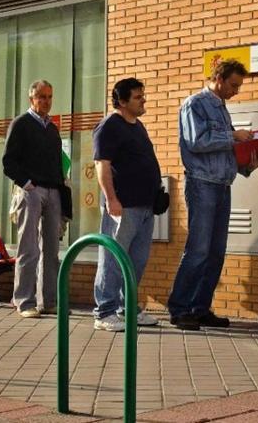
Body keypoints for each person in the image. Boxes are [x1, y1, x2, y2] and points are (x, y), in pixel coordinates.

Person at [167, 59, 258, 331]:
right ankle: (179, 309)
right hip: (201, 184)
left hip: (223, 184)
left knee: (216, 252)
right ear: (219, 79)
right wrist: (234, 136)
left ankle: (200, 308)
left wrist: (247, 166)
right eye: (233, 85)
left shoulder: (222, 108)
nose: (236, 91)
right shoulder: (194, 104)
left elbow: (223, 150)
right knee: (197, 250)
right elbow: (196, 142)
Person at [90, 78, 162, 332]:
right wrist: (111, 199)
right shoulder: (109, 126)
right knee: (112, 259)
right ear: (121, 101)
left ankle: (127, 308)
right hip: (122, 206)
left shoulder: (138, 126)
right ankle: (104, 312)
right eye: (138, 97)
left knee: (136, 260)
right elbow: (102, 164)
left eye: (143, 95)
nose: (143, 100)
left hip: (144, 207)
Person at [3, 80, 67, 319]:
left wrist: (61, 188)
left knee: (51, 250)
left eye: (50, 97)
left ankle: (48, 301)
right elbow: (8, 162)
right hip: (31, 190)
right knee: (28, 248)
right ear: (32, 99)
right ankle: (24, 300)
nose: (46, 101)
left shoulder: (53, 128)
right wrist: (26, 183)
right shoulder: (20, 124)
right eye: (41, 97)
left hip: (53, 191)